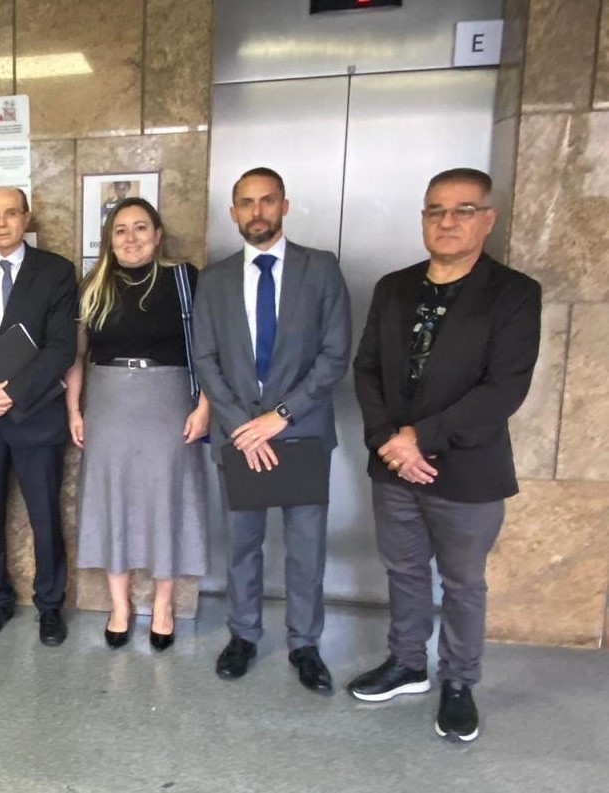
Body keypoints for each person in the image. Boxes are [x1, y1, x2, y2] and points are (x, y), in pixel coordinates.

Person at [348, 168, 540, 742]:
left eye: (462, 210)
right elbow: (367, 370)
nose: (447, 221)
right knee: (404, 570)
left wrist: (419, 439)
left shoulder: (513, 293)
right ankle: (408, 663)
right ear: (424, 219)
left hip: (467, 468)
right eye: (435, 210)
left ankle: (459, 683)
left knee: (462, 583)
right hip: (393, 465)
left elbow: (504, 389)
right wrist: (388, 440)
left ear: (488, 219)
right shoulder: (394, 287)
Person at [192, 167, 350, 693]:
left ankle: (305, 645)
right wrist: (242, 424)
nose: (256, 211)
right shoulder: (214, 279)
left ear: (284, 205)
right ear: (233, 212)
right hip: (239, 436)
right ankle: (243, 635)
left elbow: (334, 354)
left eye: (266, 200)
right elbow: (205, 359)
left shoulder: (320, 269)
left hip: (301, 433)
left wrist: (279, 417)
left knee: (306, 549)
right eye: (245, 202)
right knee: (242, 545)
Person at [66, 197, 211, 652]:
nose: (131, 238)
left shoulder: (184, 279)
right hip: (109, 404)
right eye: (121, 229)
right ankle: (120, 606)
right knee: (113, 501)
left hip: (169, 403)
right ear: (109, 239)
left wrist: (205, 406)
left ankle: (163, 606)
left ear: (158, 233)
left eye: (141, 227)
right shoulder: (93, 285)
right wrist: (74, 410)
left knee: (166, 500)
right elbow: (77, 356)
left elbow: (210, 350)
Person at [0, 187, 77, 647]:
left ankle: (50, 606)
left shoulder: (56, 271)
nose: (2, 222)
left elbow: (61, 347)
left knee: (45, 516)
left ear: (27, 218)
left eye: (11, 213)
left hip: (36, 415)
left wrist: (12, 392)